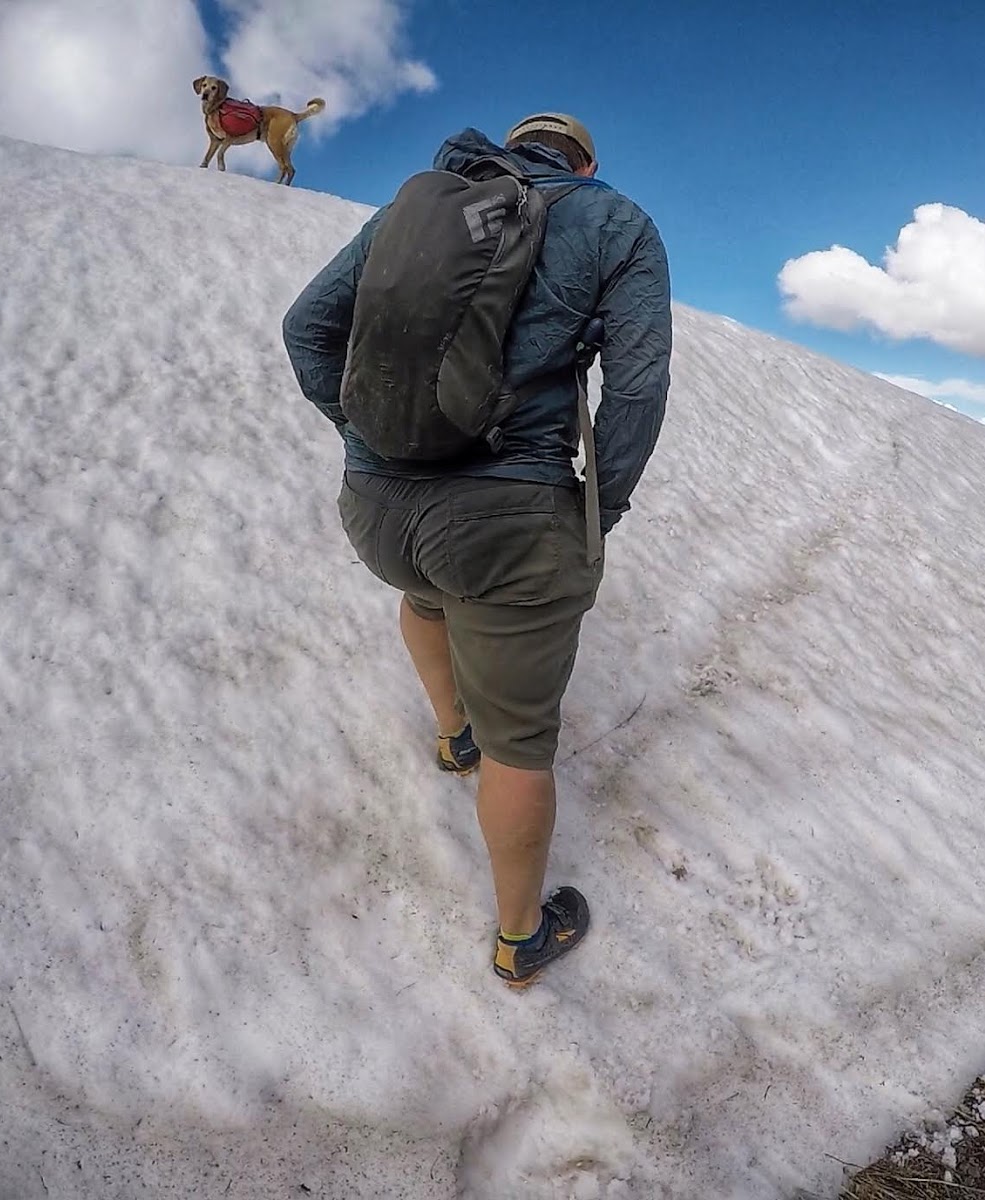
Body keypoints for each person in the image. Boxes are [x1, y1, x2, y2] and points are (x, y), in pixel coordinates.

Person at [281, 113, 672, 987]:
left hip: (379, 509)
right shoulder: (617, 224)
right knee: (522, 744)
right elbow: (637, 390)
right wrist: (588, 516)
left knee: (424, 598)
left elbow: (307, 327)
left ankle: (452, 735)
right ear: (589, 160)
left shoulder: (430, 207)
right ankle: (520, 937)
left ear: (511, 148)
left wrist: (362, 439)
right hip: (506, 519)